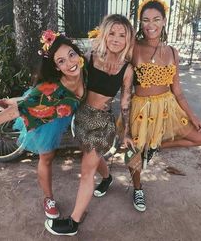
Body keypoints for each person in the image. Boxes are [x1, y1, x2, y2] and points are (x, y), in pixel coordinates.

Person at [0, 30, 88, 219]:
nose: (70, 63)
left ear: (77, 53)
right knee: (46, 157)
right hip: (47, 121)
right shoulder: (51, 91)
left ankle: (16, 99)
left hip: (63, 113)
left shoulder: (86, 69)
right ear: (56, 67)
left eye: (71, 54)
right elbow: (16, 112)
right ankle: (48, 198)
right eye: (61, 61)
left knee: (93, 151)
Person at [45, 14, 135, 236]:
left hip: (103, 125)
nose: (116, 39)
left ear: (128, 39)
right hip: (81, 118)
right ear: (104, 33)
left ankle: (73, 222)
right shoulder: (90, 56)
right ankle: (107, 177)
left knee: (86, 172)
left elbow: (125, 102)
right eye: (112, 33)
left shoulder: (127, 69)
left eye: (122, 35)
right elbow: (71, 78)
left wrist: (127, 133)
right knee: (91, 157)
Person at [127, 0, 201, 212]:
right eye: (145, 20)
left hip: (168, 107)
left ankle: (155, 147)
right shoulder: (133, 47)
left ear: (164, 21)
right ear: (141, 22)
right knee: (134, 153)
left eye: (156, 19)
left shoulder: (173, 52)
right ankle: (137, 189)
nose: (150, 25)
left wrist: (192, 116)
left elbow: (178, 90)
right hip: (141, 108)